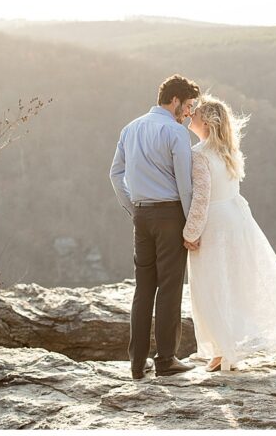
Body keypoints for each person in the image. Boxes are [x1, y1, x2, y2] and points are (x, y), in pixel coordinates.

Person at [182, 95, 276, 371]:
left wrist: (190, 232)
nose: (190, 115)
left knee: (212, 285)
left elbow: (202, 197)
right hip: (237, 221)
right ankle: (227, 348)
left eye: (195, 113)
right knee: (234, 283)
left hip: (215, 224)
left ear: (206, 122)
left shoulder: (199, 154)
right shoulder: (228, 150)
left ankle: (222, 351)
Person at [110, 74, 201, 379]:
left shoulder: (130, 128)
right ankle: (165, 360)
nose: (188, 112)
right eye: (187, 105)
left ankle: (137, 364)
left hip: (141, 215)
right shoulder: (175, 132)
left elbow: (115, 175)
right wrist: (191, 226)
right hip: (171, 215)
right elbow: (185, 186)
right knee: (170, 288)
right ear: (175, 100)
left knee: (144, 288)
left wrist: (132, 207)